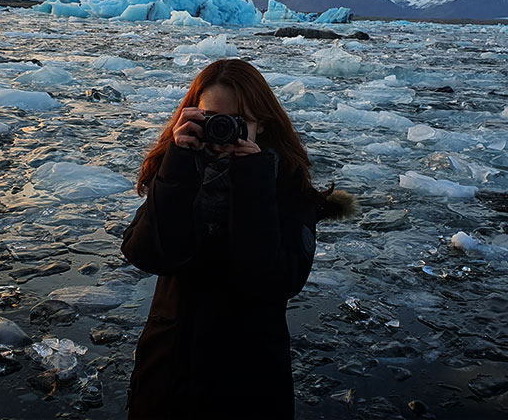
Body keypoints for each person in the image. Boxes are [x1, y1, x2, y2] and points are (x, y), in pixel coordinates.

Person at [121, 58, 355, 419]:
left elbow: (273, 280)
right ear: (191, 116)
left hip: (250, 380)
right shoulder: (177, 172)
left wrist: (253, 183)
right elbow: (148, 254)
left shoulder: (287, 187)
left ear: (261, 123)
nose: (222, 131)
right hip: (168, 373)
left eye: (237, 122)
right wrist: (177, 165)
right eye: (211, 119)